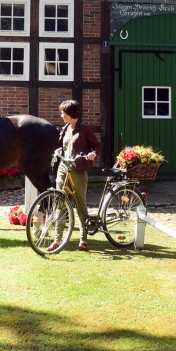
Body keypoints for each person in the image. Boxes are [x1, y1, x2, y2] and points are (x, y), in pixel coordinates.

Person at [53, 99, 100, 252]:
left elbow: (96, 145)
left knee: (80, 205)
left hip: (78, 170)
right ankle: (57, 239)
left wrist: (93, 154)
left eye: (63, 113)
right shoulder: (65, 128)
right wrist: (58, 151)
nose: (61, 115)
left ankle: (83, 240)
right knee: (60, 203)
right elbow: (62, 147)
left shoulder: (84, 128)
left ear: (71, 113)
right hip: (63, 168)